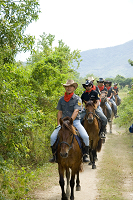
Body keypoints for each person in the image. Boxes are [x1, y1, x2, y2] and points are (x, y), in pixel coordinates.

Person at [49, 80, 89, 163]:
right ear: (65, 88)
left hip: (74, 122)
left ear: (74, 88)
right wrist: (59, 124)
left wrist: (71, 121)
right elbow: (59, 112)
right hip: (63, 123)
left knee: (85, 136)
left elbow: (76, 111)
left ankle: (85, 154)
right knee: (53, 137)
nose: (69, 88)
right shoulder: (61, 99)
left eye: (71, 86)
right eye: (67, 86)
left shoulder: (77, 99)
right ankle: (54, 155)